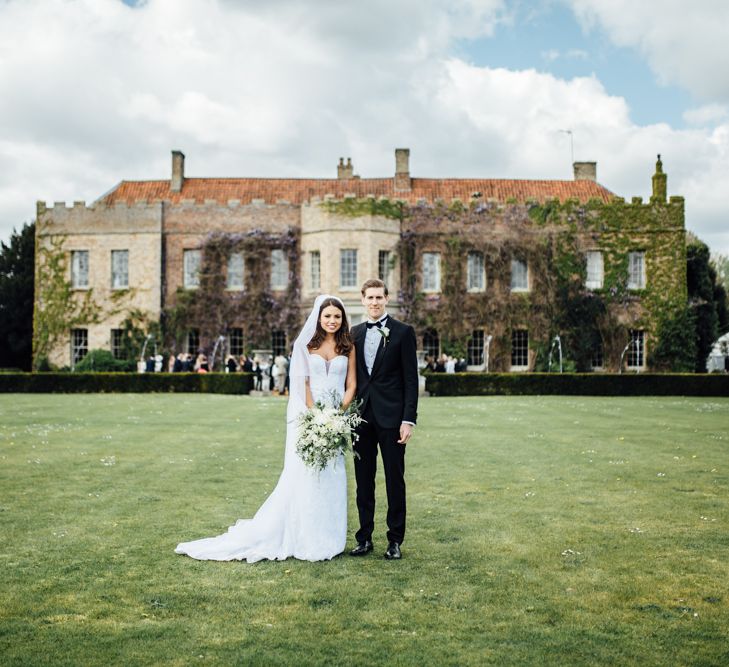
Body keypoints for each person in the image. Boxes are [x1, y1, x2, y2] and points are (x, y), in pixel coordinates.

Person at [175, 295, 356, 562]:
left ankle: (329, 537)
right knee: (306, 476)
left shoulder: (347, 347)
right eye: (327, 316)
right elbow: (303, 386)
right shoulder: (306, 346)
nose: (332, 320)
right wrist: (317, 417)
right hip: (310, 418)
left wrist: (337, 416)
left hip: (336, 420)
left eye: (337, 316)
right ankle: (304, 536)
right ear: (319, 318)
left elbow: (351, 385)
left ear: (343, 320)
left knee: (332, 476)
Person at [349, 279, 418, 561]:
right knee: (363, 482)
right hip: (361, 418)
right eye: (370, 298)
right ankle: (364, 538)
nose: (375, 302)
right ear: (363, 300)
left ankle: (394, 540)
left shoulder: (403, 332)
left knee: (394, 480)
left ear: (386, 299)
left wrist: (408, 419)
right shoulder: (352, 333)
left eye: (379, 297)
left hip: (392, 419)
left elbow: (411, 380)